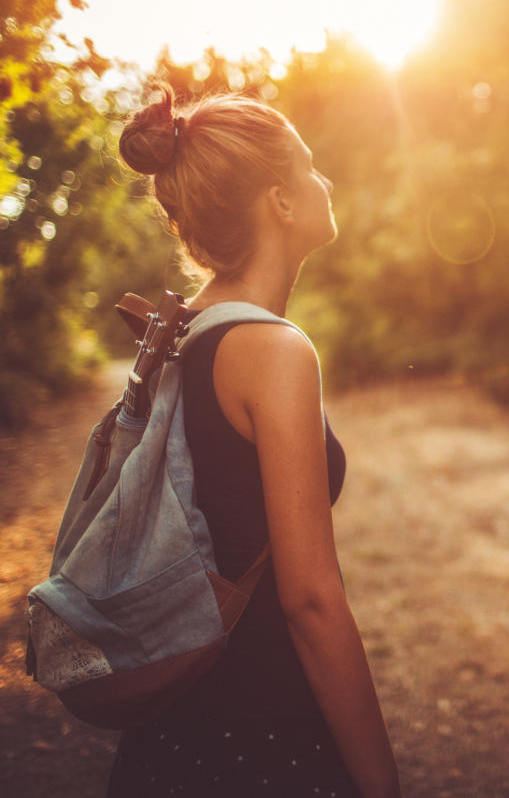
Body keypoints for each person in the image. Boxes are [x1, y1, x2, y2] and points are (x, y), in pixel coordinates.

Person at [106, 83, 400, 798]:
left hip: (172, 734)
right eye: (308, 165)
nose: (324, 179)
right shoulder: (273, 351)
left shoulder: (179, 331)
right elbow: (311, 601)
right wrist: (381, 783)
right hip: (260, 739)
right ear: (283, 201)